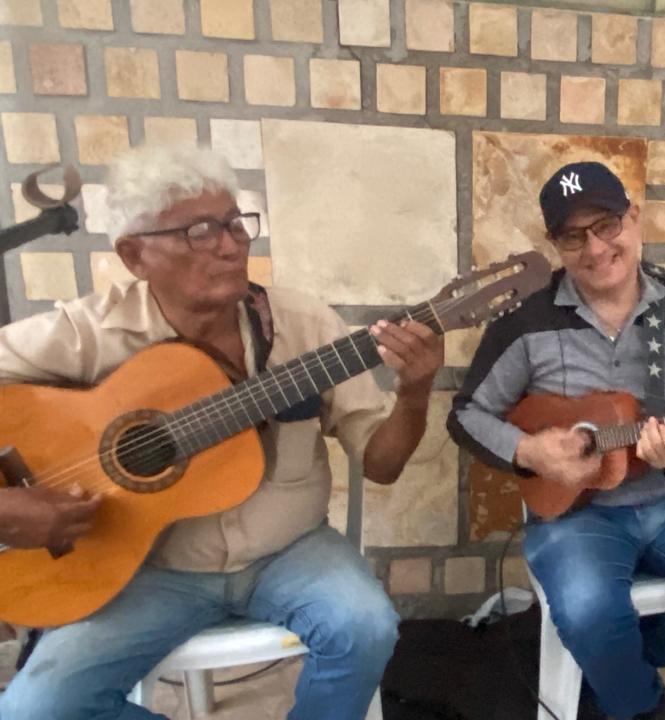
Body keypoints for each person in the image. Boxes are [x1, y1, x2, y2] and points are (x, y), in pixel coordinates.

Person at [0, 144, 444, 719]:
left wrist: (414, 393)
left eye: (236, 223)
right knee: (33, 710)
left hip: (289, 551)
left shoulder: (304, 325)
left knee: (367, 627)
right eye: (199, 231)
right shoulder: (89, 332)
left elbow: (381, 466)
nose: (232, 246)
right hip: (149, 572)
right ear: (134, 255)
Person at [448, 161, 665, 720]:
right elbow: (467, 414)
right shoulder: (525, 320)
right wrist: (528, 451)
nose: (595, 249)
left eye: (606, 225)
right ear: (555, 244)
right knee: (589, 611)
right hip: (574, 513)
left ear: (633, 218)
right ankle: (644, 708)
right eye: (573, 236)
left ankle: (617, 666)